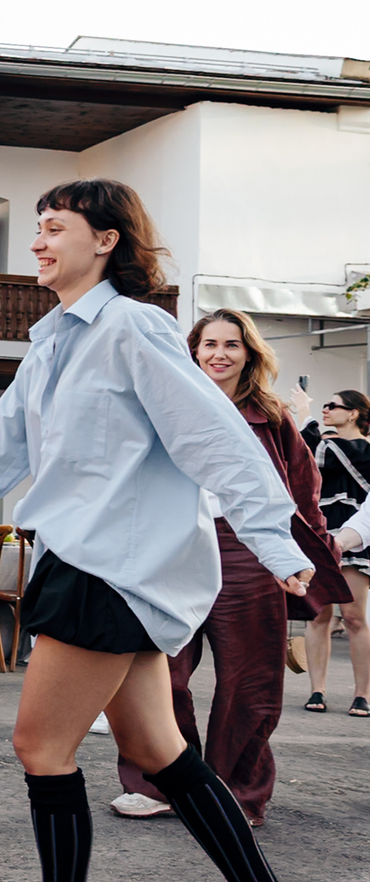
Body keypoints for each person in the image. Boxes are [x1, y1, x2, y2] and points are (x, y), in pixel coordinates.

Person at [0, 179, 333, 882]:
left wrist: (281, 549)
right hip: (88, 560)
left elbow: (214, 439)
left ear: (105, 240)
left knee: (40, 744)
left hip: (112, 566)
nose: (37, 241)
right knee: (160, 751)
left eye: (54, 226)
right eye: (37, 227)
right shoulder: (52, 342)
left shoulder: (134, 327)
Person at [109, 309, 348, 824]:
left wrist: (307, 557)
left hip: (250, 549)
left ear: (249, 353)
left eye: (231, 344)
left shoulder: (273, 416)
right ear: (193, 351)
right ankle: (160, 783)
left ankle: (235, 792)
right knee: (160, 672)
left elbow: (303, 490)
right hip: (171, 544)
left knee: (249, 679)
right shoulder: (160, 403)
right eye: (209, 343)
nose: (219, 354)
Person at [290, 387, 370, 714]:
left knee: (353, 617)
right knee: (318, 614)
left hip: (354, 536)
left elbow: (325, 451)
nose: (325, 410)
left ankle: (362, 693)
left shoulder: (361, 449)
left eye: (332, 405)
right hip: (319, 535)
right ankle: (317, 690)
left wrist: (304, 413)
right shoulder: (324, 443)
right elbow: (300, 456)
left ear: (353, 413)